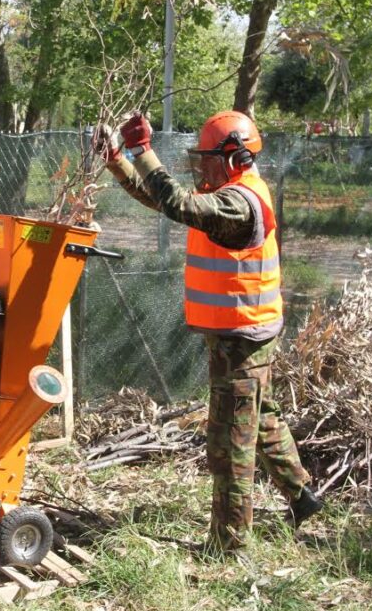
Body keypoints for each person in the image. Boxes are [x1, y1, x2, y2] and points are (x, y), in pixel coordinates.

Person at [97, 111, 323, 552]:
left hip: (243, 336)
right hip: (244, 331)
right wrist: (118, 161)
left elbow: (178, 203)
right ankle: (302, 498)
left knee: (229, 444)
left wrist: (143, 151)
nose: (202, 168)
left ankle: (230, 545)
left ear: (235, 156)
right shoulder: (225, 192)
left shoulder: (238, 204)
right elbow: (164, 199)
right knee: (261, 417)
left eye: (208, 159)